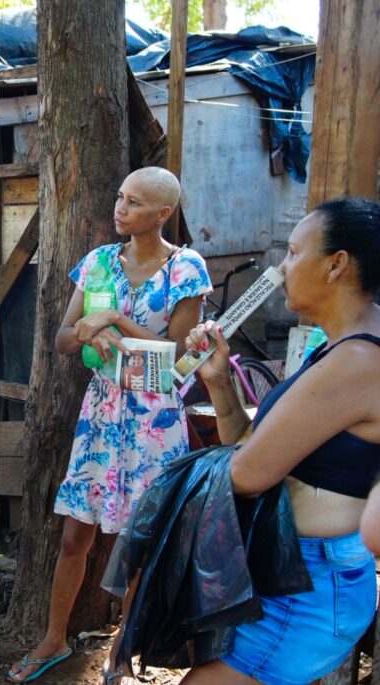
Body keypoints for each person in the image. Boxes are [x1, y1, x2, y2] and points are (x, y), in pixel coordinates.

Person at [7, 167, 211, 683]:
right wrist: (87, 336)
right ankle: (53, 639)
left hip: (155, 421)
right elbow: (62, 340)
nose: (120, 208)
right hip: (101, 415)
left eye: (135, 202)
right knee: (76, 534)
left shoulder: (185, 270)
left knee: (140, 543)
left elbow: (179, 358)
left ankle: (120, 654)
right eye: (120, 197)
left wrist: (116, 322)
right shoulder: (98, 263)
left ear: (163, 214)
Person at [173, 197, 380, 684]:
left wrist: (169, 498)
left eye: (291, 252)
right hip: (292, 570)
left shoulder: (356, 363)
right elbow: (250, 442)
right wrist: (220, 382)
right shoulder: (338, 343)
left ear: (336, 265)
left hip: (306, 590)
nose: (281, 266)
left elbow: (246, 473)